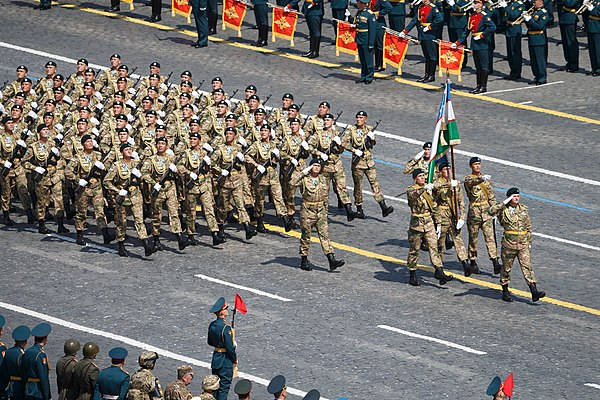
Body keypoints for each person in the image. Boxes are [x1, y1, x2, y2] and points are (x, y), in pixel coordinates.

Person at [488, 188, 546, 302]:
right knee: (506, 268)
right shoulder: (503, 209)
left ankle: (534, 291)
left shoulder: (523, 209)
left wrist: (529, 242)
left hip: (523, 243)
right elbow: (491, 211)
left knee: (527, 267)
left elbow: (528, 226)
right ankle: (505, 290)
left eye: (518, 196)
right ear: (509, 197)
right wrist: (504, 202)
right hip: (509, 244)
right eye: (514, 196)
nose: (516, 198)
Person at [291, 159, 345, 272]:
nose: (316, 167)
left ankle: (331, 259)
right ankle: (304, 260)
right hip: (308, 211)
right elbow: (292, 182)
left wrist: (325, 211)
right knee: (306, 236)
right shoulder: (304, 179)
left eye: (318, 166)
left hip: (320, 211)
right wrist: (303, 172)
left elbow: (325, 197)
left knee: (325, 236)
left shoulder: (323, 179)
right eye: (314, 165)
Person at [103, 142, 155, 257]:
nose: (129, 151)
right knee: (122, 223)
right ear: (122, 152)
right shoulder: (116, 165)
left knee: (139, 220)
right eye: (126, 149)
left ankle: (146, 245)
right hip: (122, 196)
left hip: (136, 196)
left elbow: (144, 176)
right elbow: (106, 181)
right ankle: (121, 246)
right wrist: (117, 191)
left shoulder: (136, 164)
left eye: (130, 149)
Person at [64, 134, 116, 246]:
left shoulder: (98, 155)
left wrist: (103, 168)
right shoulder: (77, 157)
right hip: (84, 188)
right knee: (81, 212)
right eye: (87, 141)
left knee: (100, 212)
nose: (90, 143)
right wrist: (77, 180)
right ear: (83, 144)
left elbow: (106, 167)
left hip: (97, 187)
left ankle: (105, 235)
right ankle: (79, 234)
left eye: (91, 141)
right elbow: (68, 171)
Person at [140, 137, 191, 251]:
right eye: (159, 144)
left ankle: (180, 238)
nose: (160, 146)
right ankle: (156, 240)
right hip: (158, 191)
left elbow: (180, 170)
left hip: (170, 189)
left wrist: (176, 170)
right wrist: (153, 183)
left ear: (167, 146)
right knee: (156, 216)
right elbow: (144, 173)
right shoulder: (151, 160)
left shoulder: (171, 159)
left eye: (163, 144)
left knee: (174, 214)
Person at [405, 169, 454, 286]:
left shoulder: (429, 190)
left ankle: (440, 272)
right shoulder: (410, 189)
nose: (422, 178)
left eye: (423, 176)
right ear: (415, 178)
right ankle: (412, 274)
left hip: (429, 223)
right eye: (420, 176)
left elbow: (435, 207)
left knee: (434, 247)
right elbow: (413, 196)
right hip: (416, 225)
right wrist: (423, 189)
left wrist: (438, 223)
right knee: (414, 250)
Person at [307, 113, 358, 220]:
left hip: (336, 165)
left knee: (342, 187)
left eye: (328, 120)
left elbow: (342, 148)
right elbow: (309, 147)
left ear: (332, 122)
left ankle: (349, 210)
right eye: (324, 120)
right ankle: (323, 214)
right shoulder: (318, 134)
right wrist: (320, 154)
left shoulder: (337, 134)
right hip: (324, 167)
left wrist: (339, 145)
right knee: (324, 191)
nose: (326, 122)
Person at [22, 124, 69, 234]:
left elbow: (60, 159)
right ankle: (41, 224)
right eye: (43, 130)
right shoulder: (33, 147)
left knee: (59, 200)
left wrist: (58, 157)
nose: (46, 131)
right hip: (42, 178)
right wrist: (35, 168)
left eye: (47, 129)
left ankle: (60, 225)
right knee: (42, 202)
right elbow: (24, 162)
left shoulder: (53, 144)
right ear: (39, 133)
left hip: (54, 176)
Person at [346, 111, 393, 218]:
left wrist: (372, 139)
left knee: (375, 184)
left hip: (369, 162)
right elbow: (344, 143)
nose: (359, 119)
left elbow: (371, 145)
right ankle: (359, 209)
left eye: (361, 117)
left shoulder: (369, 129)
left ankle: (383, 207)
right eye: (357, 117)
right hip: (357, 163)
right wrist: (354, 150)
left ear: (365, 119)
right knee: (358, 186)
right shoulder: (351, 130)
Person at [463, 157, 502, 274]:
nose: (477, 166)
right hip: (474, 214)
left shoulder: (486, 180)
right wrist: (481, 179)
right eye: (475, 164)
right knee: (473, 239)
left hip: (486, 213)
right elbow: (471, 183)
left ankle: (495, 261)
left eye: (479, 164)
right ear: (471, 166)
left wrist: (494, 212)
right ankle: (473, 261)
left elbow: (491, 197)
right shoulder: (468, 179)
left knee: (490, 238)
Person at [432, 162, 470, 275]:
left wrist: (462, 217)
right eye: (445, 169)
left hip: (453, 216)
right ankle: (439, 268)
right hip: (441, 215)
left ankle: (465, 263)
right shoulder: (437, 183)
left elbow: (461, 201)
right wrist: (437, 221)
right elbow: (433, 199)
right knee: (440, 243)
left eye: (449, 168)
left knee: (458, 240)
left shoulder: (455, 183)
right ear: (440, 172)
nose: (448, 170)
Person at [456, 0, 496, 93]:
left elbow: (493, 27)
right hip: (474, 43)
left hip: (482, 43)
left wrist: (482, 35)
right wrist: (458, 42)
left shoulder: (484, 16)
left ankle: (483, 86)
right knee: (478, 66)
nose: (474, 5)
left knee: (484, 66)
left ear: (481, 4)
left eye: (476, 3)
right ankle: (478, 85)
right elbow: (467, 30)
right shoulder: (472, 15)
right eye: (474, 3)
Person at [402, 0, 444, 82]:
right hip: (422, 34)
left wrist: (430, 27)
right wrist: (405, 31)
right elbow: (414, 20)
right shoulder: (421, 7)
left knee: (432, 56)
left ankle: (431, 75)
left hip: (430, 34)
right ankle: (426, 74)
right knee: (427, 56)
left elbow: (440, 19)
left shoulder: (433, 8)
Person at [207, 298, 237, 400]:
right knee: (224, 389)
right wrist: (234, 358)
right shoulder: (226, 328)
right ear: (221, 312)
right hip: (225, 361)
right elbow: (230, 348)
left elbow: (210, 342)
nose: (227, 309)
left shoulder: (212, 325)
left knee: (215, 387)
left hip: (216, 359)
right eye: (226, 308)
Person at [21, 323, 52, 400]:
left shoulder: (27, 351)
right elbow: (43, 376)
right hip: (38, 392)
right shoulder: (40, 355)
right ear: (45, 339)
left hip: (28, 389)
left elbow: (23, 371)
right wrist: (46, 395)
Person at [0, 325, 30, 400]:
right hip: (21, 388)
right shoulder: (23, 355)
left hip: (11, 386)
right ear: (25, 341)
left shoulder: (8, 352)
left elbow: (4, 373)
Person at [523, 0, 550, 84]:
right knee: (533, 60)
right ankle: (536, 76)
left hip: (538, 38)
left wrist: (529, 19)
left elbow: (539, 26)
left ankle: (542, 77)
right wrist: (526, 18)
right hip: (532, 38)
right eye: (533, 2)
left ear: (541, 3)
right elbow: (530, 25)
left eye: (535, 2)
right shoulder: (533, 12)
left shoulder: (544, 13)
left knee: (539, 60)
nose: (533, 4)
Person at [499, 0, 525, 80]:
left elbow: (514, 15)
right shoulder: (510, 3)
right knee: (510, 52)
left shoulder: (520, 4)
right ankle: (512, 71)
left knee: (515, 52)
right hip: (509, 28)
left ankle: (517, 72)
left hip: (515, 29)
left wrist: (505, 7)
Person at [353, 0, 378, 84]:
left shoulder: (370, 15)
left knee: (368, 60)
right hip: (360, 38)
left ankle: (369, 77)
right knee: (363, 60)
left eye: (359, 3)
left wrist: (371, 43)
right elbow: (356, 23)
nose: (357, 4)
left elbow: (373, 30)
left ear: (363, 4)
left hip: (366, 39)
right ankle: (363, 76)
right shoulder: (359, 12)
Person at [556, 0, 581, 72]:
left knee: (571, 42)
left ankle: (574, 64)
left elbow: (570, 3)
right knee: (565, 42)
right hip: (563, 16)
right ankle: (569, 62)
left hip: (570, 18)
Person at [372, 0, 393, 72]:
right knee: (374, 44)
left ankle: (380, 65)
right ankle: (377, 64)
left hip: (379, 23)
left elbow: (389, 7)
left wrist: (379, 14)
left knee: (379, 45)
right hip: (371, 22)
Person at [586, 0, 600, 76]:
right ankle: (594, 68)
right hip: (591, 27)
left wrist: (593, 10)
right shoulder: (593, 1)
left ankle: (599, 69)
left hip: (598, 27)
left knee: (598, 50)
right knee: (592, 50)